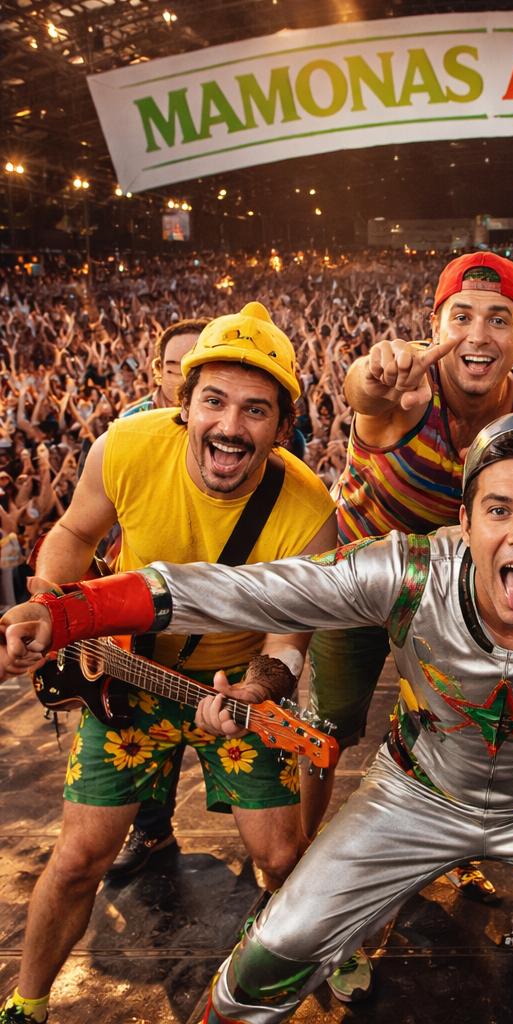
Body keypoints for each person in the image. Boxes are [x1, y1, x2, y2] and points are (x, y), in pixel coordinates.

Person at [0, 411, 513, 1024]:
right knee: (270, 956)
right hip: (413, 794)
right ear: (463, 521)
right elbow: (242, 590)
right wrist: (72, 612)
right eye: (499, 509)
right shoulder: (408, 574)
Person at [0, 301, 337, 1024]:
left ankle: (305, 955)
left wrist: (255, 691)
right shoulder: (124, 447)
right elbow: (74, 532)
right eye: (213, 400)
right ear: (184, 405)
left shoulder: (309, 511)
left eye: (255, 410)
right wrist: (51, 606)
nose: (229, 426)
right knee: (78, 859)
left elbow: (288, 642)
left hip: (233, 690)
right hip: (125, 678)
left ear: (283, 428)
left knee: (282, 859)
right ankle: (25, 1004)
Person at [302, 251, 513, 997]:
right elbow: (362, 388)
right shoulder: (408, 391)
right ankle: (299, 877)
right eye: (462, 317)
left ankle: (450, 852)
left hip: (447, 604)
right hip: (358, 585)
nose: (478, 335)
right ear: (434, 325)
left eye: (498, 319)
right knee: (326, 735)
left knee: (457, 737)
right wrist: (373, 371)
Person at [108, 316, 211, 878]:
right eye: (176, 368)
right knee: (140, 729)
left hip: (220, 610)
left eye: (197, 367)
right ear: (159, 373)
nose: (184, 378)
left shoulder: (245, 432)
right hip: (142, 609)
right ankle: (151, 831)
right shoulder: (129, 429)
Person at [120, 317, 208, 417]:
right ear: (160, 369)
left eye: (195, 371)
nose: (183, 381)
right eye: (174, 372)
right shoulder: (132, 420)